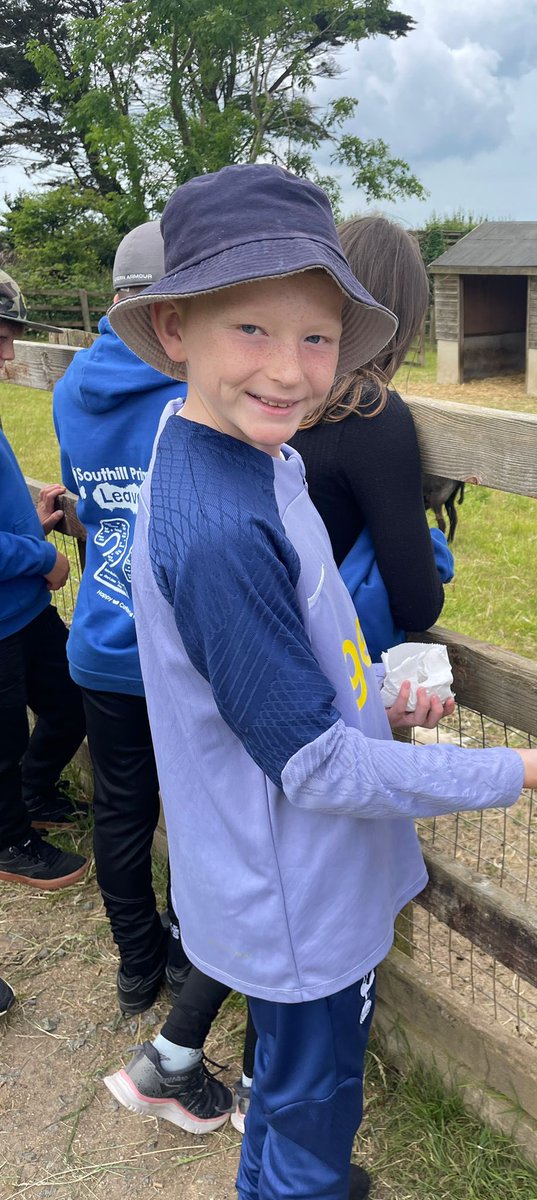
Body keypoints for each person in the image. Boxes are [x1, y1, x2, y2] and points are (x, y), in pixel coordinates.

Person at [106, 162, 537, 1200]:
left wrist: (373, 698)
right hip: (298, 896)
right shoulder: (219, 529)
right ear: (174, 328)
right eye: (251, 329)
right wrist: (522, 770)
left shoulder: (253, 457)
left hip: (276, 872)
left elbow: (275, 684)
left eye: (317, 337)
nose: (289, 369)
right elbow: (318, 769)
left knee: (291, 1091)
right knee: (313, 1102)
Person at [52, 221, 200, 1019]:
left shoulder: (73, 386)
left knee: (120, 807)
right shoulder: (192, 383)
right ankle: (182, 950)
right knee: (194, 808)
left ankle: (135, 965)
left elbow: (83, 498)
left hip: (103, 635)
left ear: (115, 296)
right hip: (181, 645)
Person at [290, 215, 451, 659]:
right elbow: (418, 604)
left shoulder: (274, 391)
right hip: (324, 667)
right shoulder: (369, 412)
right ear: (401, 319)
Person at [0, 270, 90, 1013]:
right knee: (2, 734)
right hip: (7, 607)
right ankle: (9, 839)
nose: (8, 354)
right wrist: (42, 556)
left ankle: (33, 795)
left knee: (66, 700)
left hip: (21, 607)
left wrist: (29, 521)